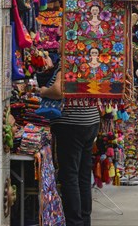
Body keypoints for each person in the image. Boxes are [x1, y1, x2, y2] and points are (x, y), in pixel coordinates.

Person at [40, 64, 100, 226]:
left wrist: (44, 91)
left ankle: (75, 222)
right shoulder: (89, 63)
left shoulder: (68, 62)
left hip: (71, 124)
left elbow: (59, 91)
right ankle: (84, 220)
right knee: (83, 175)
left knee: (70, 175)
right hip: (90, 121)